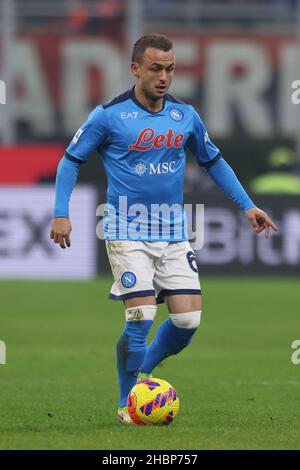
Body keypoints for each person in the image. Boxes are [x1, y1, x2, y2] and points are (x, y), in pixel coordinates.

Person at [50, 33, 278, 424]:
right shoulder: (107, 115)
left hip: (173, 232)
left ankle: (142, 374)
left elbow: (214, 161)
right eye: (156, 68)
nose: (164, 77)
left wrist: (248, 205)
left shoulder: (184, 115)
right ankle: (127, 403)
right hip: (124, 229)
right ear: (135, 69)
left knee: (188, 321)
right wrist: (60, 212)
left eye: (170, 69)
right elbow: (70, 161)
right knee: (139, 318)